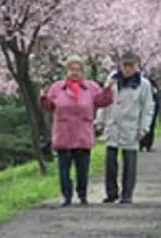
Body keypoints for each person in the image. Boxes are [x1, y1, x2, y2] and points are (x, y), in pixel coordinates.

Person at [40, 55, 114, 206]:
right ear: (67, 71)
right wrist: (43, 98)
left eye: (78, 70)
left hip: (82, 133)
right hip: (63, 133)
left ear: (83, 71)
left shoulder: (91, 87)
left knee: (82, 170)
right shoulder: (57, 88)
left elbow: (102, 101)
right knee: (63, 170)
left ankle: (82, 195)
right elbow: (48, 106)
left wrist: (107, 90)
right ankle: (66, 196)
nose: (75, 73)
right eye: (72, 69)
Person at [95, 52, 155, 204]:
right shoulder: (112, 79)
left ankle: (127, 193)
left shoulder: (144, 84)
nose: (127, 69)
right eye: (125, 66)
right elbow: (104, 100)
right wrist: (99, 121)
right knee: (110, 161)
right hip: (113, 123)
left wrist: (144, 128)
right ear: (120, 66)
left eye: (131, 66)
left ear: (136, 66)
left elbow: (148, 107)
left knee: (129, 161)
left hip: (131, 125)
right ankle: (111, 192)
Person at [139, 81, 161, 152]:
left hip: (151, 113)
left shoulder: (154, 92)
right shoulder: (142, 91)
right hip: (142, 113)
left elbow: (157, 103)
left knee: (150, 130)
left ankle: (148, 145)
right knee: (142, 128)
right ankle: (141, 145)